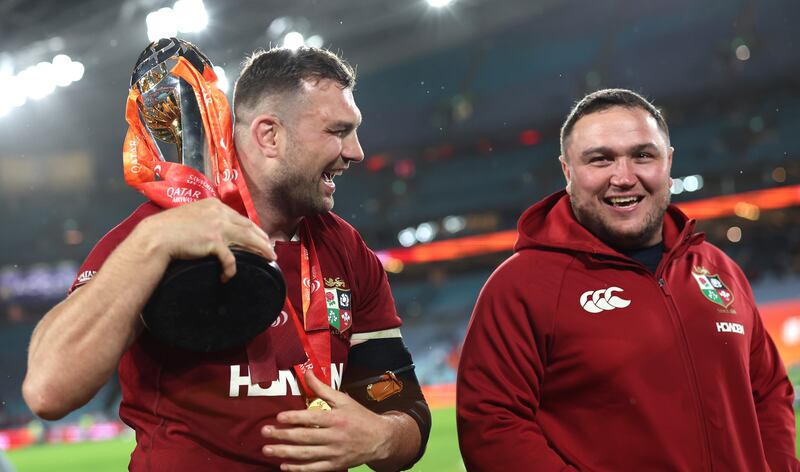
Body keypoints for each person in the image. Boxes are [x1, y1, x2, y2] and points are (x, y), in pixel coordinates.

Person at [23, 46, 430, 471]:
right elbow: (48, 391)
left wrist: (382, 437)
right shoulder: (158, 234)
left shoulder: (346, 250)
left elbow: (401, 399)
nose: (357, 151)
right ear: (269, 135)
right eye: (338, 131)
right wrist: (151, 247)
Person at [456, 88, 799, 471]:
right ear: (568, 172)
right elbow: (492, 426)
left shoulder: (719, 268)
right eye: (600, 160)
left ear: (668, 163)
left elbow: (768, 391)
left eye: (642, 155)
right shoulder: (520, 287)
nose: (623, 177)